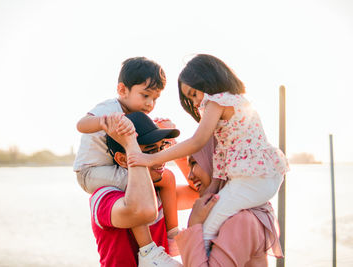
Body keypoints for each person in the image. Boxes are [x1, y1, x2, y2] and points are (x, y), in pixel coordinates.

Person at [128, 54, 289, 253]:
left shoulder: (217, 101)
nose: (195, 103)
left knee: (206, 230)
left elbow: (197, 142)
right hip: (264, 177)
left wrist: (151, 158)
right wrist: (213, 190)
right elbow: (221, 160)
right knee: (211, 219)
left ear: (208, 80)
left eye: (194, 94)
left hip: (252, 179)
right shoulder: (236, 103)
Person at [73, 57, 181, 261]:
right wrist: (105, 122)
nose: (150, 104)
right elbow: (81, 124)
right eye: (145, 95)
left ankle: (171, 233)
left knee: (166, 178)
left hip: (111, 168)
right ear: (122, 90)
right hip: (91, 172)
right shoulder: (110, 109)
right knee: (141, 187)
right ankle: (149, 250)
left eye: (155, 99)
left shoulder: (135, 114)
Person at [90, 112, 184, 266]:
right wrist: (130, 144)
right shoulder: (104, 197)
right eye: (151, 150)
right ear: (122, 159)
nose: (161, 158)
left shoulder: (160, 191)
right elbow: (141, 211)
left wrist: (175, 146)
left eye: (162, 147)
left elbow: (196, 191)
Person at [175, 137, 284, 266]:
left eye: (194, 163)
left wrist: (194, 225)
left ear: (217, 163)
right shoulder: (236, 211)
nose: (190, 176)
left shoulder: (242, 220)